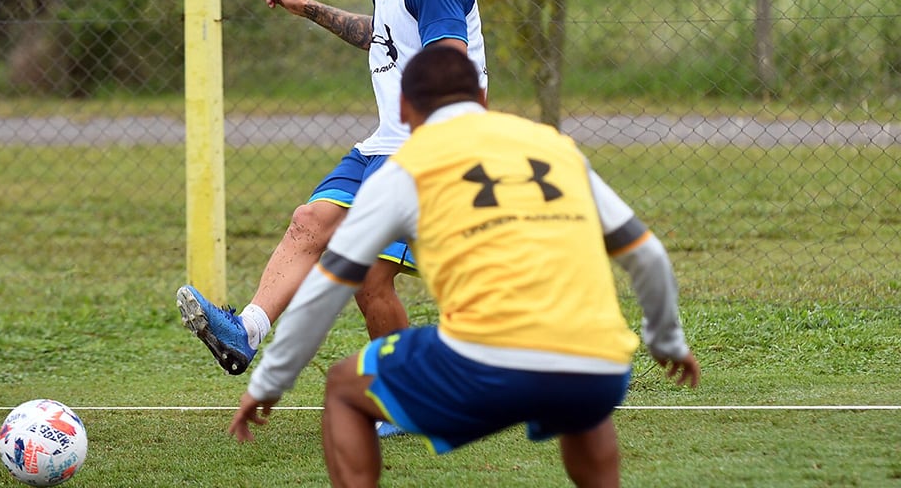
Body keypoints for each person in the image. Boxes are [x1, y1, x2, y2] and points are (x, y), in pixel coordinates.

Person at [227, 46, 701, 488]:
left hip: (486, 362)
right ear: (481, 98)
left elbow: (328, 285)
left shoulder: (406, 167)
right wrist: (667, 341)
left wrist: (270, 381)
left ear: (403, 110)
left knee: (344, 388)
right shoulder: (554, 146)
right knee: (582, 401)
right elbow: (648, 256)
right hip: (599, 361)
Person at [176, 0, 488, 426]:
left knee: (370, 275)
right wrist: (309, 8)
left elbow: (450, 63)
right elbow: (382, 36)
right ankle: (246, 332)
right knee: (310, 222)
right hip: (383, 144)